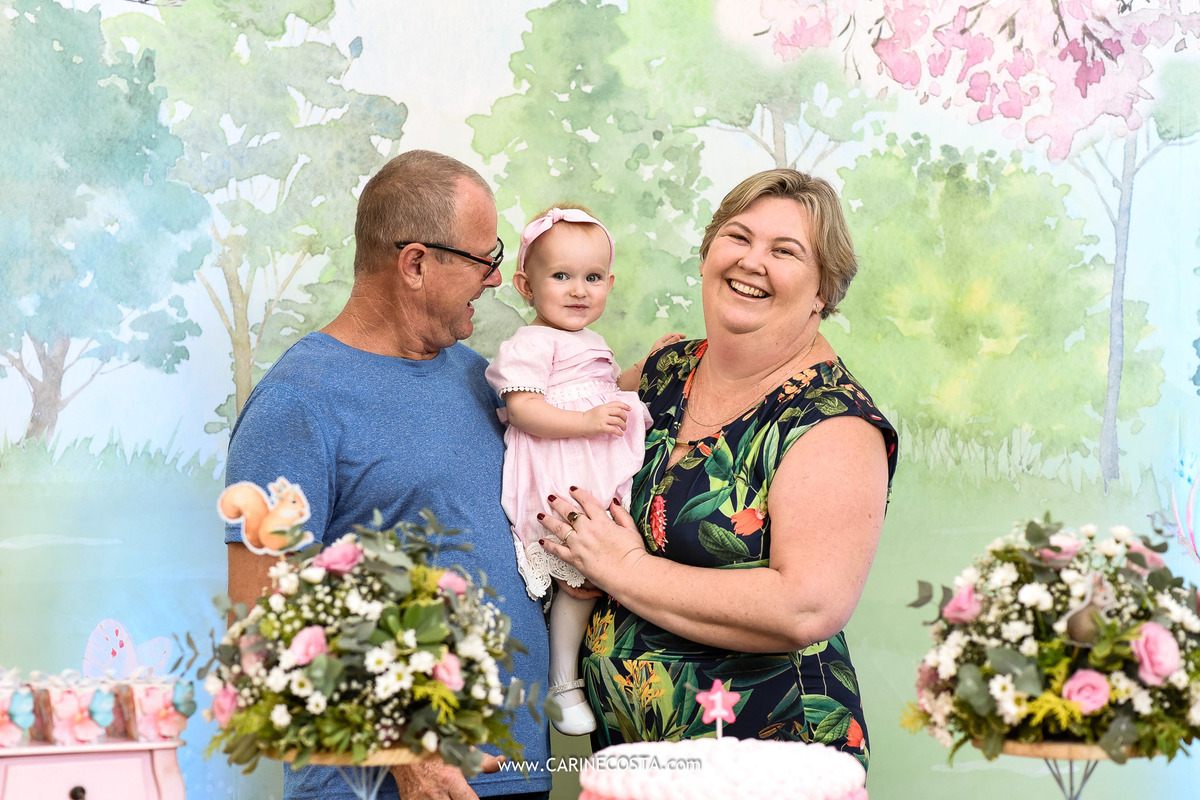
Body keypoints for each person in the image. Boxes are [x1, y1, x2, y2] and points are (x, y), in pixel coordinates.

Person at [539, 169, 899, 770]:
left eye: (785, 251)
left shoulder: (833, 422)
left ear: (823, 290)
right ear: (709, 254)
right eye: (738, 237)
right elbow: (559, 435)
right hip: (635, 761)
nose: (752, 261)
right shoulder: (665, 372)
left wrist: (625, 569)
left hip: (771, 756)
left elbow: (806, 607)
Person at [224, 150, 552, 800]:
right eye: (483, 258)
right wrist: (403, 753)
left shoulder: (480, 379)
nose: (495, 278)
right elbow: (257, 643)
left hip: (518, 777)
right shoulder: (295, 405)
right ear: (416, 263)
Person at [484, 205, 679, 736]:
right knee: (575, 578)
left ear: (609, 284)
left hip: (590, 468)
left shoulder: (591, 342)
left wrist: (647, 367)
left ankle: (581, 674)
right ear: (526, 286)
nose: (578, 291)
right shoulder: (530, 343)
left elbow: (609, 387)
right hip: (558, 472)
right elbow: (524, 409)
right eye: (561, 276)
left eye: (592, 278)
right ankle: (563, 681)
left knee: (595, 577)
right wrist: (586, 421)